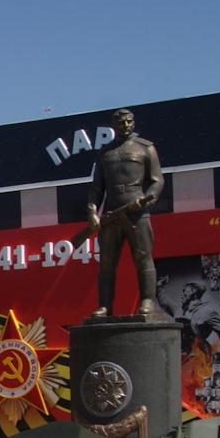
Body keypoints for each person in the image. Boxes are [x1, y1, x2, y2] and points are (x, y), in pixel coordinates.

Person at [88, 108, 165, 318]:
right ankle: (105, 306)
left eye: (130, 121)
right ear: (114, 126)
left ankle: (147, 301)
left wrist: (147, 198)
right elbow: (96, 189)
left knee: (143, 257)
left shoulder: (145, 148)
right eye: (122, 123)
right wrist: (92, 211)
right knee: (106, 262)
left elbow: (157, 181)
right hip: (111, 212)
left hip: (137, 211)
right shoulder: (105, 153)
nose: (126, 125)